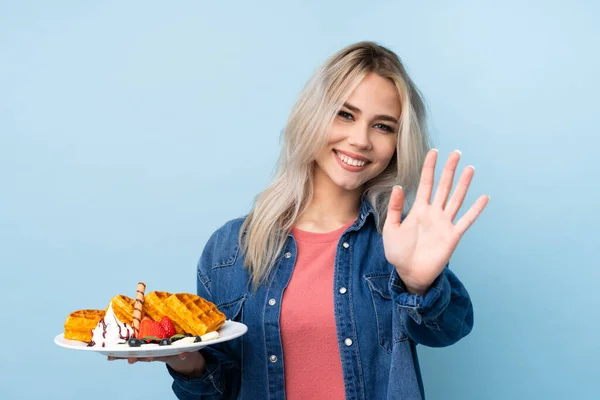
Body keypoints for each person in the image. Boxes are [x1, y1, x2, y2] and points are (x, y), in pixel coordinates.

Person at [119, 41, 489, 399]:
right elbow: (215, 391)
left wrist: (419, 285)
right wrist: (185, 359)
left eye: (383, 126)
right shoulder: (229, 250)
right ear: (312, 116)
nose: (360, 140)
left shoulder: (398, 242)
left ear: (397, 142)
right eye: (345, 114)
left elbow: (448, 330)